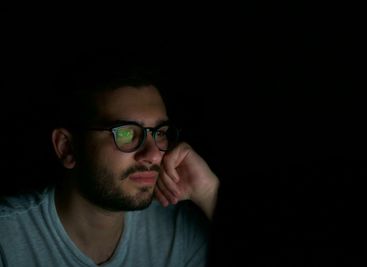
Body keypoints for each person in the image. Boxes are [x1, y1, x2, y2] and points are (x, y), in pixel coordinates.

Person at [0, 52, 219, 266]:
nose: (153, 155)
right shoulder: (6, 239)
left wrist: (211, 193)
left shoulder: (179, 233)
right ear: (67, 147)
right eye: (125, 133)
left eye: (160, 132)